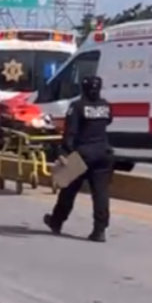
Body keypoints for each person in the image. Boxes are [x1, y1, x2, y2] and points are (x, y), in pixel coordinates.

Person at [44, 75, 113, 242]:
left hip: (83, 154)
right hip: (103, 153)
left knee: (68, 190)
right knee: (101, 193)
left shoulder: (77, 106)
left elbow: (70, 134)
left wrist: (62, 151)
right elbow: (108, 121)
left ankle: (57, 221)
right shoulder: (105, 106)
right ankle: (100, 230)